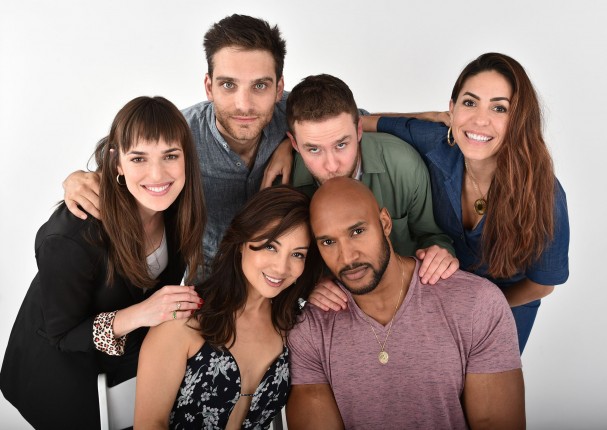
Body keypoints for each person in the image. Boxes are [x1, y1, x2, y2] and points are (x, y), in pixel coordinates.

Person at [0, 96, 206, 429]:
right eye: (138, 158)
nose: (157, 174)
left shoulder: (180, 210)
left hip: (125, 367)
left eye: (170, 156)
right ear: (116, 163)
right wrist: (143, 312)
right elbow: (63, 335)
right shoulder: (72, 236)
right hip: (61, 377)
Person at [362, 53, 570, 352]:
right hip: (438, 297)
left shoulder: (545, 194)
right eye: (470, 103)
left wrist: (479, 305)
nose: (479, 120)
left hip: (506, 305)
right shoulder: (437, 141)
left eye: (499, 108)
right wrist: (428, 115)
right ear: (452, 108)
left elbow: (542, 284)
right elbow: (358, 122)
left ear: (518, 121)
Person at [62, 14, 295, 275]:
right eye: (228, 84)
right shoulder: (179, 132)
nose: (244, 104)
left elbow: (336, 117)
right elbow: (121, 161)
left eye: (260, 85)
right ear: (209, 87)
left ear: (279, 88)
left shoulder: (296, 113)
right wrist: (76, 179)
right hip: (209, 276)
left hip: (285, 271)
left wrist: (292, 141)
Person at [287, 177, 525, 430]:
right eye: (328, 242)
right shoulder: (311, 328)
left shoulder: (476, 303)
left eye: (357, 232)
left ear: (385, 223)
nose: (347, 257)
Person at [134, 186, 321, 429]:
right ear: (241, 242)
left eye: (297, 254)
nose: (281, 267)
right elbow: (149, 424)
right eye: (270, 246)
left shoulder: (293, 327)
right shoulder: (183, 316)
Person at [286, 74, 458, 309]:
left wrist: (440, 253)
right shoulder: (285, 183)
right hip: (336, 309)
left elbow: (433, 235)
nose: (332, 165)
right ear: (294, 144)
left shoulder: (403, 165)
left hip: (406, 298)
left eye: (341, 145)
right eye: (314, 149)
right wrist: (307, 284)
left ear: (359, 130)